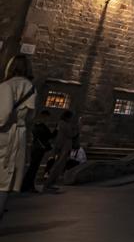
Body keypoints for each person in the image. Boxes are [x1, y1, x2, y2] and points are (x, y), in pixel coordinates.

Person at [0, 55, 37, 221]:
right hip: (19, 135)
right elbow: (30, 117)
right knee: (5, 182)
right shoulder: (31, 88)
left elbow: (3, 115)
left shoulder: (6, 86)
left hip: (5, 134)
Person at [42, 108, 80, 192]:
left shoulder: (62, 123)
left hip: (63, 147)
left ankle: (51, 184)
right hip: (63, 148)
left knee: (59, 167)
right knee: (57, 167)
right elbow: (71, 134)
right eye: (71, 117)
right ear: (68, 117)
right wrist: (77, 128)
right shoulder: (64, 124)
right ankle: (48, 185)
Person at [21, 109, 53, 192]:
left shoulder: (37, 125)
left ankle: (27, 186)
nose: (47, 119)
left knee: (33, 168)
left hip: (36, 147)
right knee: (33, 168)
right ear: (44, 116)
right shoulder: (41, 126)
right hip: (38, 148)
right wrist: (56, 130)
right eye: (47, 117)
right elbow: (49, 136)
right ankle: (27, 186)